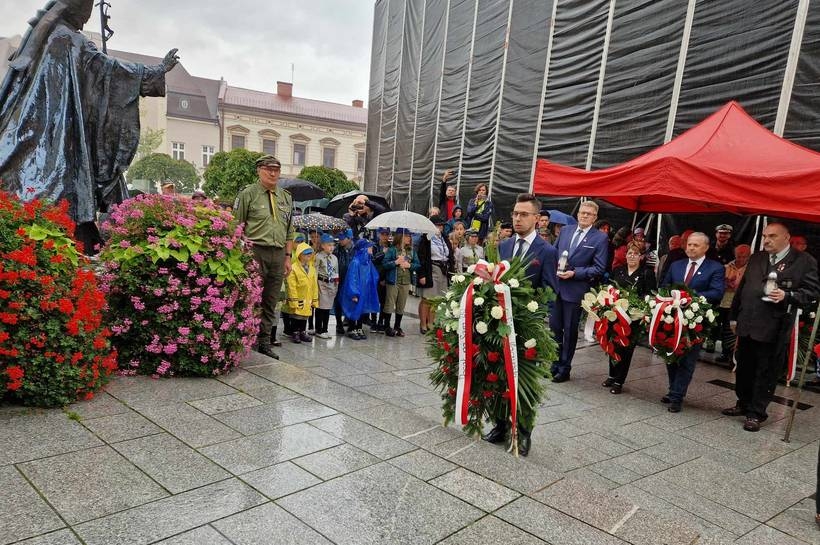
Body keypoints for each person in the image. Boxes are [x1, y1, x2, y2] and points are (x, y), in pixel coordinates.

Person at [0, 0, 179, 254]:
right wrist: (157, 70)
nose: (86, 19)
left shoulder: (44, 35)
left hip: (32, 129)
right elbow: (110, 69)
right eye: (85, 12)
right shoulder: (70, 39)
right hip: (59, 136)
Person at [724, 223, 819, 431]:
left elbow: (811, 293)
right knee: (744, 367)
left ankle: (756, 412)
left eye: (772, 236)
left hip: (774, 326)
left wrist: (788, 295)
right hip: (747, 323)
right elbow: (743, 288)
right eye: (765, 236)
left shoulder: (804, 261)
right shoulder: (758, 257)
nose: (766, 240)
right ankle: (743, 403)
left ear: (786, 238)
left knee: (765, 371)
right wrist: (733, 317)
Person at [483, 193, 558, 457]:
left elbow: (550, 291)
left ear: (537, 218)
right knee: (497, 376)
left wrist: (531, 315)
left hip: (526, 329)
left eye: (524, 214)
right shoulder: (503, 246)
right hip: (498, 325)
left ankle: (523, 432)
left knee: (523, 381)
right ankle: (500, 425)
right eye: (515, 213)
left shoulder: (547, 252)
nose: (517, 218)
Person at [234, 155, 294, 360]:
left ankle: (264, 342)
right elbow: (237, 226)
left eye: (276, 170)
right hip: (255, 251)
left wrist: (288, 257)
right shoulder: (248, 194)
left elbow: (289, 230)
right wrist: (240, 255)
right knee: (251, 298)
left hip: (278, 253)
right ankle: (245, 339)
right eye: (269, 169)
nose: (273, 173)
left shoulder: (286, 197)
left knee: (271, 300)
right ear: (259, 170)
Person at [661, 232, 725, 413]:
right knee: (671, 355)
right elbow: (664, 286)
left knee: (687, 360)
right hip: (673, 319)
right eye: (689, 244)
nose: (691, 248)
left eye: (696, 245)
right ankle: (673, 389)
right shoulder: (676, 265)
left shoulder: (715, 268)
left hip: (696, 322)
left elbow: (717, 292)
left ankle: (677, 396)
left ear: (705, 248)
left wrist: (690, 297)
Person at [550, 201, 609, 383]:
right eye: (582, 212)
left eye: (588, 214)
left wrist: (575, 273)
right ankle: (554, 363)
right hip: (557, 287)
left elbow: (599, 268)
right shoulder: (566, 230)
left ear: (595, 217)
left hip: (575, 290)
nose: (584, 216)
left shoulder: (600, 238)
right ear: (577, 214)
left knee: (569, 330)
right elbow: (554, 253)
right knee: (554, 327)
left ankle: (564, 368)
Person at [603, 241, 657, 394]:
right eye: (630, 253)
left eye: (636, 254)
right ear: (625, 255)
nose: (632, 256)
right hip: (615, 315)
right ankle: (611, 375)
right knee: (613, 344)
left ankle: (619, 381)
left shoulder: (646, 273)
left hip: (633, 318)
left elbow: (650, 294)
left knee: (626, 349)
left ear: (641, 257)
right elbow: (609, 288)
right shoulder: (618, 270)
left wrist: (638, 305)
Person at [417, 216, 453, 333]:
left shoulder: (444, 238)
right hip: (431, 269)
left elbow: (450, 255)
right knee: (427, 298)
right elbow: (421, 257)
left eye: (441, 225)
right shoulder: (426, 239)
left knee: (437, 299)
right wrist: (422, 275)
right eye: (437, 225)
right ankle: (423, 324)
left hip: (443, 269)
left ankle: (431, 323)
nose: (440, 227)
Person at [716, 244, 751, 364]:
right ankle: (723, 352)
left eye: (744, 256)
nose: (741, 258)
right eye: (738, 256)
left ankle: (731, 354)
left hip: (737, 304)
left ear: (749, 256)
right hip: (722, 301)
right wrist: (725, 284)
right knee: (719, 327)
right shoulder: (726, 267)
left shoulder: (751, 269)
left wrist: (736, 286)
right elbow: (717, 282)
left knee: (731, 330)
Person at [340, 239, 381, 340]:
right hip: (357, 292)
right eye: (369, 247)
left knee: (362, 310)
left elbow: (373, 275)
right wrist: (353, 293)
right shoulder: (356, 262)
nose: (371, 248)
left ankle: (359, 327)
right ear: (363, 249)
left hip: (365, 291)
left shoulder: (367, 262)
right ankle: (351, 328)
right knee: (354, 309)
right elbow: (352, 279)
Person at [382, 228, 420, 337]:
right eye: (407, 236)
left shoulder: (411, 251)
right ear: (400, 237)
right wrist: (395, 262)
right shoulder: (392, 250)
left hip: (406, 281)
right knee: (389, 304)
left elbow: (418, 265)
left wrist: (410, 265)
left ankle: (397, 326)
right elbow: (385, 264)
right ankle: (387, 326)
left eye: (409, 236)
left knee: (401, 305)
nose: (409, 238)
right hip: (393, 281)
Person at [285, 243, 318, 343]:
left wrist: (315, 299)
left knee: (305, 316)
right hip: (299, 296)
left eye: (310, 253)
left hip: (308, 297)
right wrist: (294, 299)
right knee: (296, 316)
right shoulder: (294, 268)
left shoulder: (312, 268)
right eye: (306, 253)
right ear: (299, 255)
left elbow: (314, 285)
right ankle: (295, 332)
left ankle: (302, 332)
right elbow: (291, 286)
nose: (309, 255)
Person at [314, 234, 339, 339]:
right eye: (329, 245)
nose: (331, 247)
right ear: (323, 245)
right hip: (321, 283)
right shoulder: (318, 257)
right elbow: (315, 272)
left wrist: (336, 284)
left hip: (331, 285)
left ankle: (325, 329)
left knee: (328, 308)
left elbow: (336, 272)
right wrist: (314, 286)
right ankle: (319, 329)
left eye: (333, 245)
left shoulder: (334, 258)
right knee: (321, 308)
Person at [333, 229, 355, 335]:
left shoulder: (355, 249)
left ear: (349, 238)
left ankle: (351, 323)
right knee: (338, 302)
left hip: (351, 281)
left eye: (343, 238)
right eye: (340, 238)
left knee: (351, 302)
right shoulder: (337, 249)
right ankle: (338, 324)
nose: (340, 240)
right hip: (340, 279)